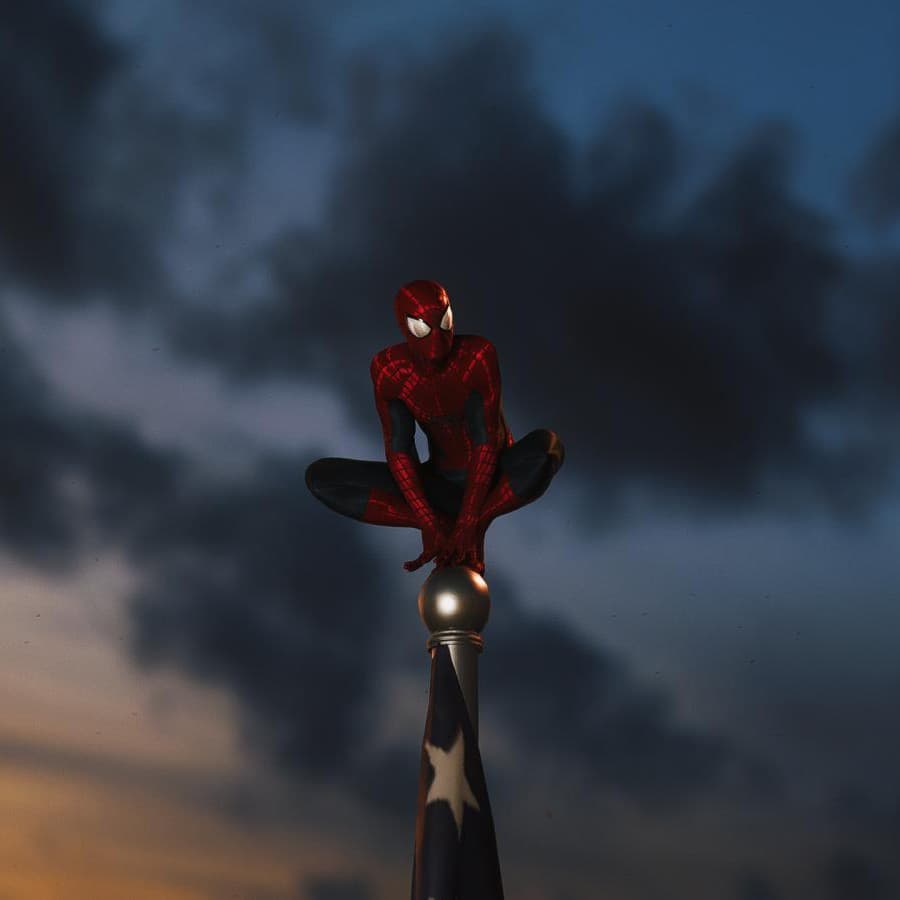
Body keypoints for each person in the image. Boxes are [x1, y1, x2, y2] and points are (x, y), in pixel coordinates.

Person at [305, 280, 564, 575]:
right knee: (321, 478)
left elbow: (485, 442)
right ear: (405, 327)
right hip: (438, 484)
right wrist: (427, 520)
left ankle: (477, 519)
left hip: (496, 475)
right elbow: (400, 449)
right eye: (422, 329)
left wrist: (471, 522)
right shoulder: (389, 369)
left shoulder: (477, 356)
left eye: (444, 323)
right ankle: (443, 523)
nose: (437, 342)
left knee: (548, 448)